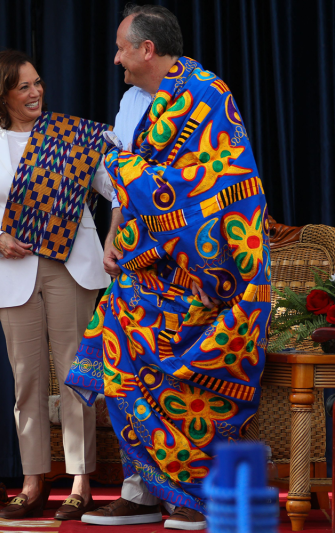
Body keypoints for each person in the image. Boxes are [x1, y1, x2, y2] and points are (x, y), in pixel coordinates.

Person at [65, 5, 270, 530]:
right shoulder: (135, 102)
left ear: (147, 49)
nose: (115, 59)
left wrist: (114, 164)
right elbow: (130, 194)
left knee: (180, 391)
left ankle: (190, 496)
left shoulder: (206, 95)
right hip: (138, 276)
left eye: (121, 48)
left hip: (195, 276)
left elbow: (213, 188)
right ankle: (140, 493)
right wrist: (115, 238)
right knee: (126, 379)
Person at [0, 49, 118, 520]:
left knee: (77, 377)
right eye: (24, 86)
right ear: (2, 94)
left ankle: (81, 482)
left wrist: (113, 154)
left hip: (72, 267)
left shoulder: (73, 136)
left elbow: (113, 189)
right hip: (13, 270)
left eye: (37, 82)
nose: (36, 91)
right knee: (27, 382)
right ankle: (33, 481)